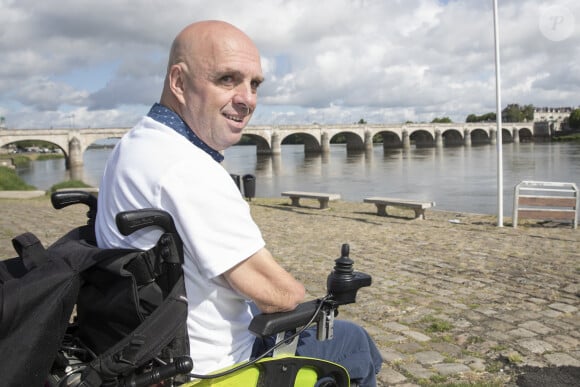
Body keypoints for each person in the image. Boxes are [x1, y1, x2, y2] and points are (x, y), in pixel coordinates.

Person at [95, 20, 382, 386]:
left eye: (255, 83)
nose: (247, 99)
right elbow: (279, 296)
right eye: (227, 79)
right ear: (179, 82)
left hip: (147, 351)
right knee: (354, 343)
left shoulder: (134, 146)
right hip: (214, 364)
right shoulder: (188, 168)